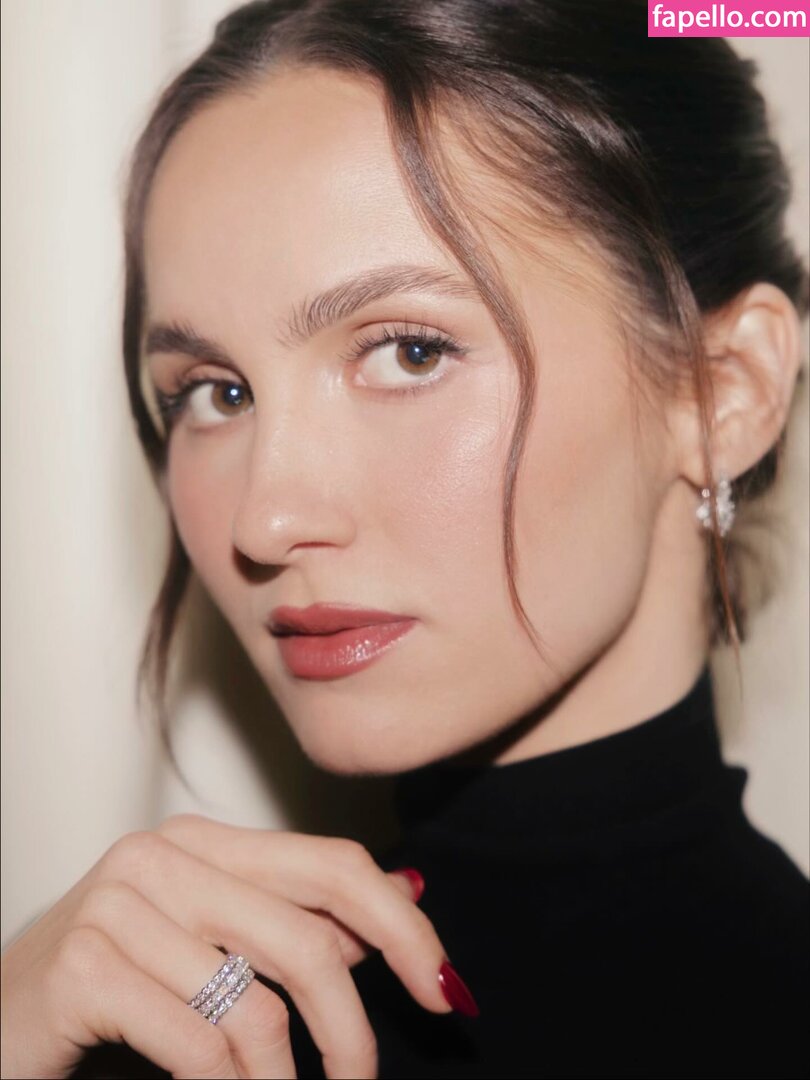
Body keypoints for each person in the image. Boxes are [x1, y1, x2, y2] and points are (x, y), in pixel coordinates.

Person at [1, 1, 808, 1077]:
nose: (265, 519)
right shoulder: (139, 1026)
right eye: (215, 392)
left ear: (724, 392)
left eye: (410, 352)